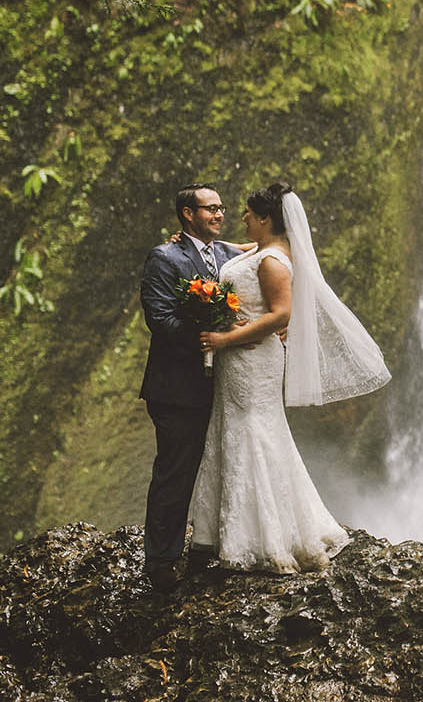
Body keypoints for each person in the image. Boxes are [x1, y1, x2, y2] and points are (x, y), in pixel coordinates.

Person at [189, 182, 392, 573]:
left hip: (251, 359)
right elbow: (237, 251)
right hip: (242, 361)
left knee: (253, 432)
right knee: (241, 430)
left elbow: (281, 314)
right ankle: (230, 530)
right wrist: (193, 243)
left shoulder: (271, 262)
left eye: (250, 214)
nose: (243, 218)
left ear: (266, 219)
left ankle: (265, 538)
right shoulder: (266, 249)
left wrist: (224, 338)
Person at [139, 183, 245, 592]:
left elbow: (270, 249)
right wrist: (211, 331)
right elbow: (160, 320)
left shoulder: (225, 255)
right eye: (210, 208)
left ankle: (209, 546)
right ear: (188, 214)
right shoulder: (165, 258)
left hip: (220, 385)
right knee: (175, 473)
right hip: (176, 388)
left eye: (221, 207)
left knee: (221, 466)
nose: (219, 214)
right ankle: (161, 561)